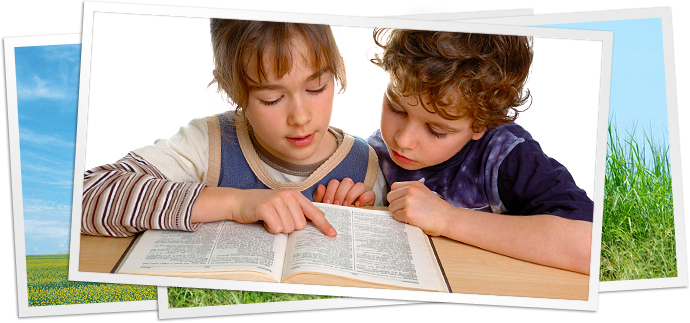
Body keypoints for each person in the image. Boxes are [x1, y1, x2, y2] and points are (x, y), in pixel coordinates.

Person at [81, 19, 385, 238]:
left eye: (317, 88)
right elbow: (85, 195)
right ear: (231, 87)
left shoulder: (368, 166)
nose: (301, 118)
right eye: (271, 98)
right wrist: (236, 202)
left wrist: (349, 218)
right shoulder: (208, 143)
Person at [362, 6, 594, 275]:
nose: (403, 140)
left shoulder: (506, 157)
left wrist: (447, 219)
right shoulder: (372, 154)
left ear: (482, 123)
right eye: (396, 108)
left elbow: (588, 245)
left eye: (437, 130)